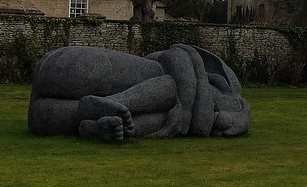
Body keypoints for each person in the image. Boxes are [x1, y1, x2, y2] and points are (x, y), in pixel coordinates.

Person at [28, 44, 250, 141]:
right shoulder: (198, 77)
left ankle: (97, 124)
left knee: (43, 117)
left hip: (44, 110)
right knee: (170, 87)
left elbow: (199, 125)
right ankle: (114, 102)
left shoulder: (176, 115)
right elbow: (177, 55)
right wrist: (186, 105)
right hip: (72, 65)